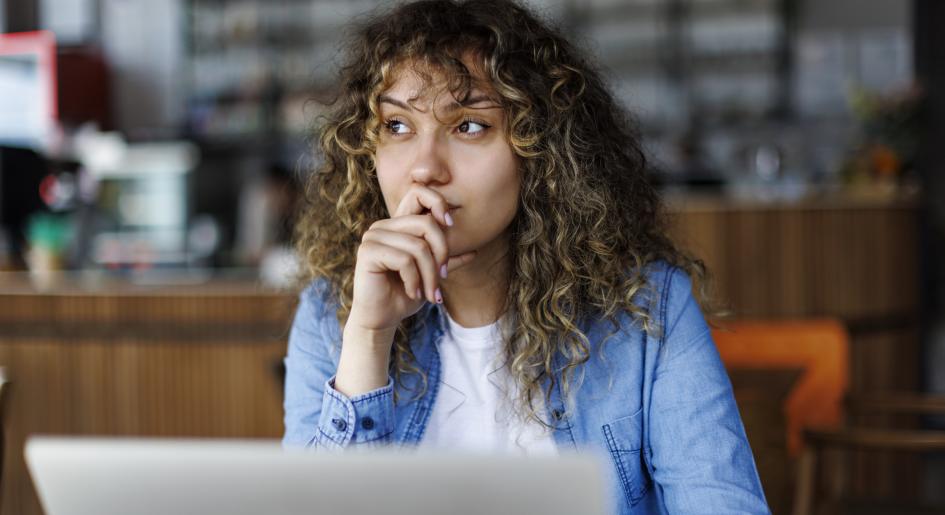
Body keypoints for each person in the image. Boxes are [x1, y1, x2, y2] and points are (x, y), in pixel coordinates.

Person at [283, 1, 769, 513]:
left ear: (541, 153)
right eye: (398, 126)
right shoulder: (333, 314)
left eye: (469, 125)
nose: (424, 169)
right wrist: (369, 339)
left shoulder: (648, 309)